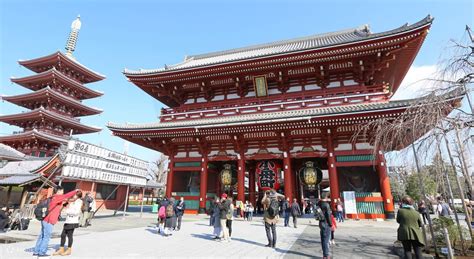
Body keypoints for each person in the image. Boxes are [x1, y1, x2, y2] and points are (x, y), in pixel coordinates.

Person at [33, 187, 79, 257]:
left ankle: (36, 251)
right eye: (62, 191)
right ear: (59, 191)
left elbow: (67, 199)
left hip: (44, 219)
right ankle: (42, 252)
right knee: (46, 237)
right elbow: (67, 195)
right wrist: (75, 191)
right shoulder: (57, 197)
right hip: (49, 220)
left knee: (41, 236)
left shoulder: (52, 197)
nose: (63, 192)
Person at [53, 191, 83, 256]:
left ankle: (69, 249)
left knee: (69, 235)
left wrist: (67, 211)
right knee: (63, 235)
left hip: (73, 221)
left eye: (74, 195)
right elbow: (67, 206)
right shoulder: (72, 201)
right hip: (68, 220)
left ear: (78, 195)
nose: (73, 196)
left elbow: (76, 212)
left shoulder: (79, 202)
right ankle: (61, 248)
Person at [317, 193, 332, 259]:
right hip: (326, 223)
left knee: (323, 239)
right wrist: (330, 224)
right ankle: (326, 255)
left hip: (321, 223)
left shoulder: (318, 204)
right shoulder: (326, 205)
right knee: (326, 240)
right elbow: (328, 215)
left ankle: (324, 255)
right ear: (325, 197)